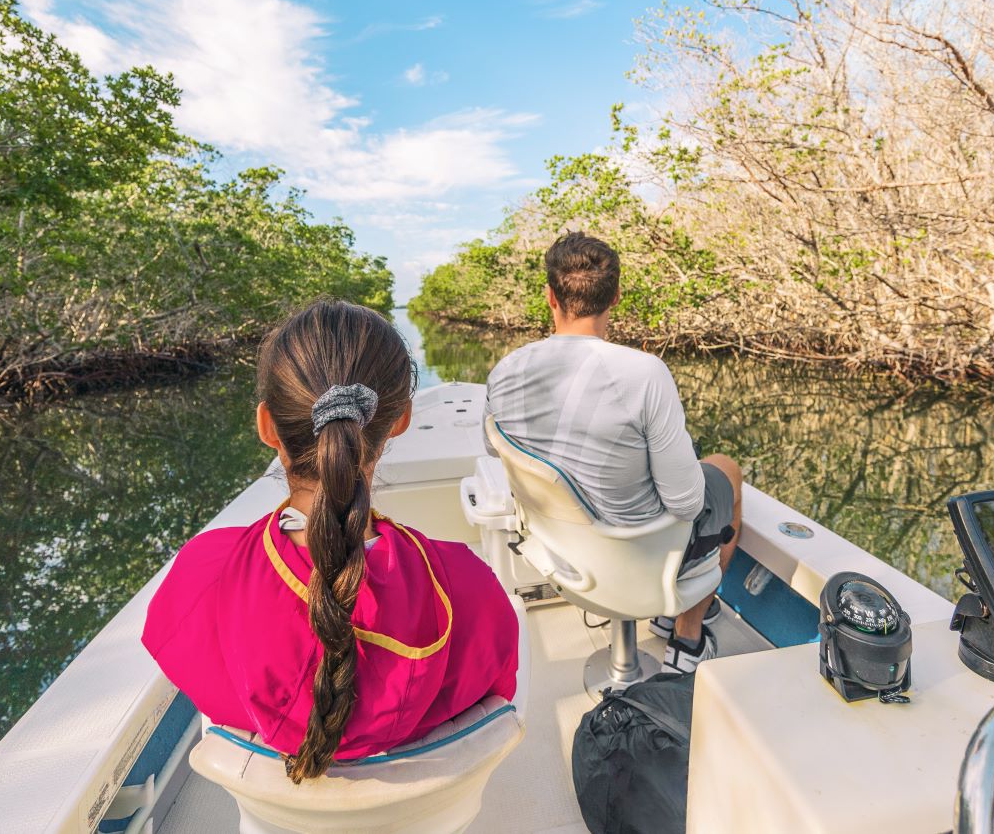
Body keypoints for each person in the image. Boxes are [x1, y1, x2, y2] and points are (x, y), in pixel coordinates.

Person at [143, 299, 520, 782]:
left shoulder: (205, 574)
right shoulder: (465, 585)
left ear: (267, 427)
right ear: (401, 420)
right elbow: (495, 691)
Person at [486, 233, 743, 673]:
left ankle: (677, 616)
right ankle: (686, 635)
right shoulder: (645, 373)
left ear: (550, 296)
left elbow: (496, 460)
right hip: (641, 562)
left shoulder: (505, 372)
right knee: (726, 470)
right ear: (616, 296)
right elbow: (685, 502)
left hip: (563, 559)